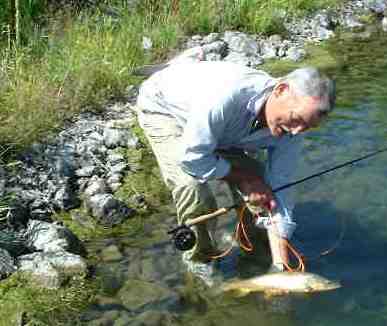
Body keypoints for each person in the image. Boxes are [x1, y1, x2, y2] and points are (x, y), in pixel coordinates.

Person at [136, 61, 336, 284]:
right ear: (281, 90)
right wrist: (243, 178)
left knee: (262, 185)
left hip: (222, 130)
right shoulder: (226, 97)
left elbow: (281, 189)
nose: (297, 131)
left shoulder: (292, 131)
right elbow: (193, 159)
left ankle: (257, 251)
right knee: (191, 187)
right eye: (296, 119)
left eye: (307, 127)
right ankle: (200, 260)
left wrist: (280, 266)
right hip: (166, 110)